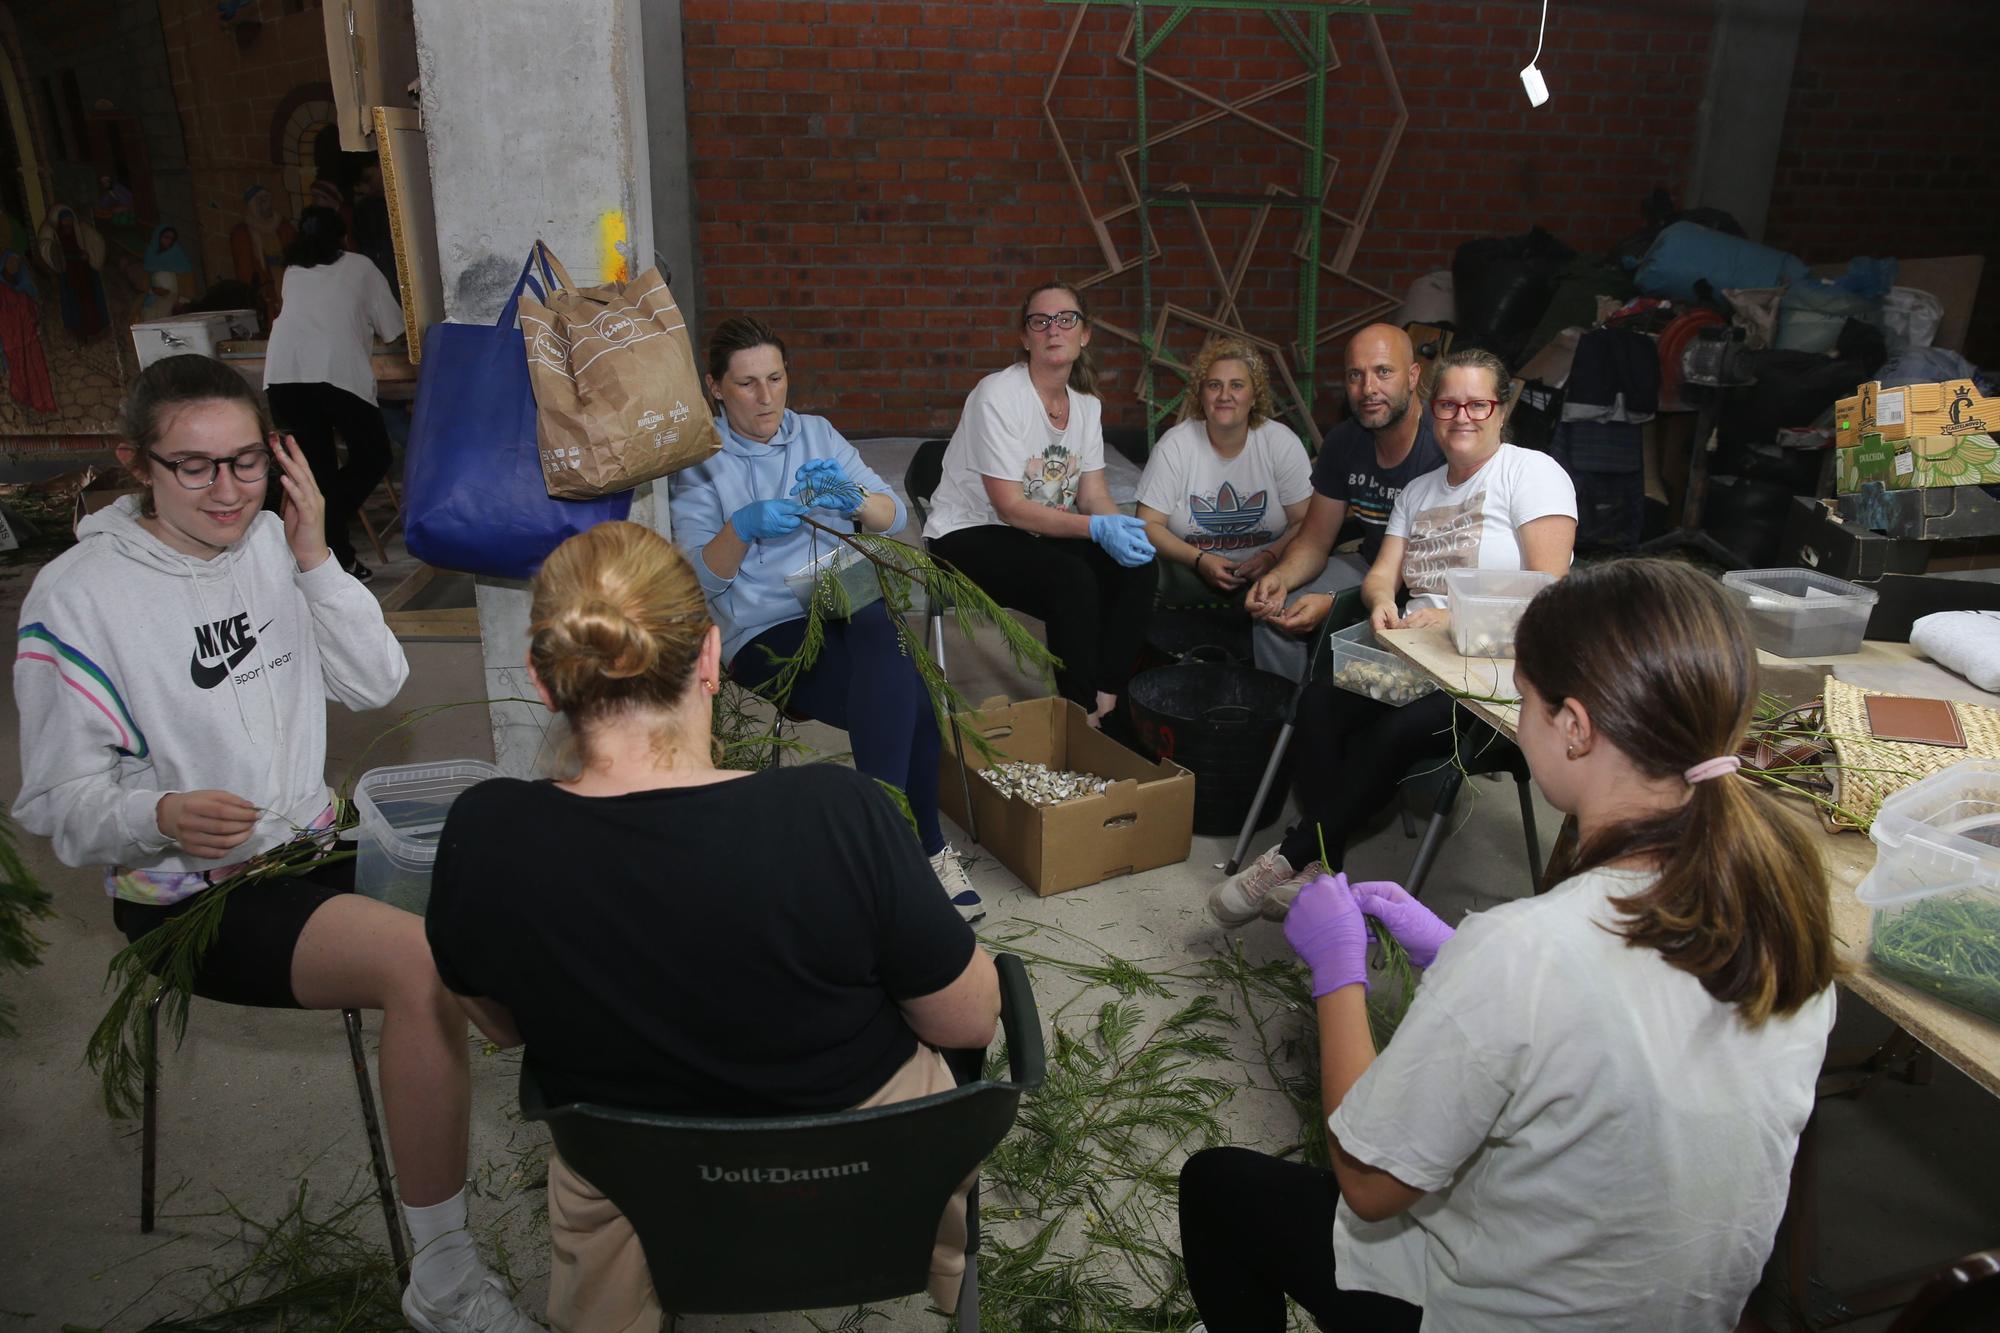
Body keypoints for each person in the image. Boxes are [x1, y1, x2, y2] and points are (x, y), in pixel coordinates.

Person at [11, 354, 534, 1332]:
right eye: (195, 466)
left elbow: (377, 681)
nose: (226, 490)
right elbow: (54, 801)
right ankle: (444, 1274)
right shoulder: (77, 597)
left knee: (524, 888)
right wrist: (153, 813)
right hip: (191, 891)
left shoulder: (270, 543)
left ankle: (608, 1142)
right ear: (136, 463)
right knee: (422, 963)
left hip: (313, 837)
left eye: (245, 463)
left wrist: (313, 556)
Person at [1178, 558, 1838, 1332]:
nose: (1515, 717)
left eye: (1522, 696)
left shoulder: (1526, 950)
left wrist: (1337, 971)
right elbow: (1612, 1028)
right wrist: (1456, 954)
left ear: (1574, 726)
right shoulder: (1783, 909)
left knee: (1217, 1187)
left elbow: (1366, 1176)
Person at [425, 521, 1001, 1333]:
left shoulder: (482, 836)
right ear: (708, 656)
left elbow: (505, 1024)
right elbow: (968, 1018)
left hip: (638, 1192)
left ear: (544, 681)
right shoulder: (837, 813)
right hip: (864, 1183)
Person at [1212, 347, 1575, 923]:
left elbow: (1551, 593)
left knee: (1394, 733)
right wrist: (1382, 605)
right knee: (1319, 704)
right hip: (1417, 656)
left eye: (1477, 404)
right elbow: (1383, 575)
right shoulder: (1421, 490)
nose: (1462, 417)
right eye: (1449, 403)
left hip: (1498, 676)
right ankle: (1320, 865)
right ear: (1432, 409)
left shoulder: (1532, 474)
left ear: (1502, 409)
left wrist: (1456, 619)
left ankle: (1298, 855)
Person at [668, 315, 985, 922]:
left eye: (777, 378)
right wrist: (742, 526)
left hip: (843, 604)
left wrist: (853, 499)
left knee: (877, 638)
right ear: (715, 388)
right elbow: (701, 581)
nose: (767, 397)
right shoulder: (699, 460)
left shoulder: (815, 434)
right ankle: (920, 850)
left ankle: (887, 854)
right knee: (910, 695)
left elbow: (893, 520)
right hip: (763, 631)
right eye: (747, 384)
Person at [923, 281, 1159, 731]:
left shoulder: (1087, 405)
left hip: (1037, 534)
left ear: (1084, 334)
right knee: (1072, 578)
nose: (1054, 329)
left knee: (1140, 568)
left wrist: (1121, 527)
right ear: (1024, 336)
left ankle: (1108, 700)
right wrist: (1094, 529)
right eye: (1040, 321)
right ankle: (1080, 717)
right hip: (965, 535)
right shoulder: (998, 394)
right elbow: (1009, 507)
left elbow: (1092, 496)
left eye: (1066, 319)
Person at [1244, 323, 1443, 680]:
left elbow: (1438, 574)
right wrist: (1280, 577)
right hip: (1370, 567)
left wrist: (1335, 603)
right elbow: (1315, 540)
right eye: (1356, 375)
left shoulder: (1442, 447)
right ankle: (1284, 723)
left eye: (1383, 372)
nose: (1368, 389)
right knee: (1276, 614)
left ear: (1413, 376)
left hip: (1430, 585)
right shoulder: (1344, 441)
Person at [262, 205, 405, 583]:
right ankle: (322, 527)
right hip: (335, 374)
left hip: (284, 374)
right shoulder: (359, 266)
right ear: (343, 237)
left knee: (317, 472)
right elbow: (393, 327)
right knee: (374, 456)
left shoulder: (293, 270)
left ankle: (337, 558)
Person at [1133, 336, 1313, 611]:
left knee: (1311, 578)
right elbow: (1147, 524)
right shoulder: (1176, 445)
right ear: (1201, 395)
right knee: (1140, 574)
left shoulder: (1280, 442)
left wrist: (1270, 556)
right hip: (1190, 571)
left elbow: (1306, 522)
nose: (1224, 395)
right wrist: (1199, 560)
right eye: (1214, 385)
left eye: (1237, 385)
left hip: (1267, 574)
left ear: (1254, 396)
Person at [230, 184, 296, 331]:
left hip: (286, 275)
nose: (264, 204)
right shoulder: (243, 232)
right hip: (265, 279)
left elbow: (294, 248)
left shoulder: (282, 225)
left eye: (266, 199)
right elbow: (244, 265)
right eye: (260, 200)